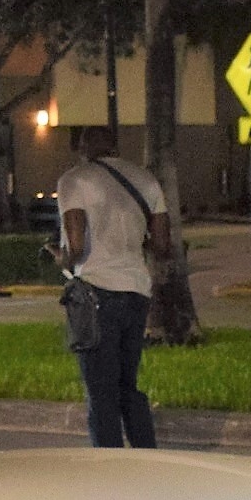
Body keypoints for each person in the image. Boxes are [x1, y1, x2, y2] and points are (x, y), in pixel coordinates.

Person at [56, 125, 170, 448]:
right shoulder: (146, 180)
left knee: (100, 391)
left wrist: (60, 258)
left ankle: (110, 464)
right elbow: (162, 245)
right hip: (136, 292)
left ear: (84, 149)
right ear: (115, 147)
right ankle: (146, 453)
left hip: (95, 294)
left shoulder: (74, 180)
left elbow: (75, 248)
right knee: (126, 384)